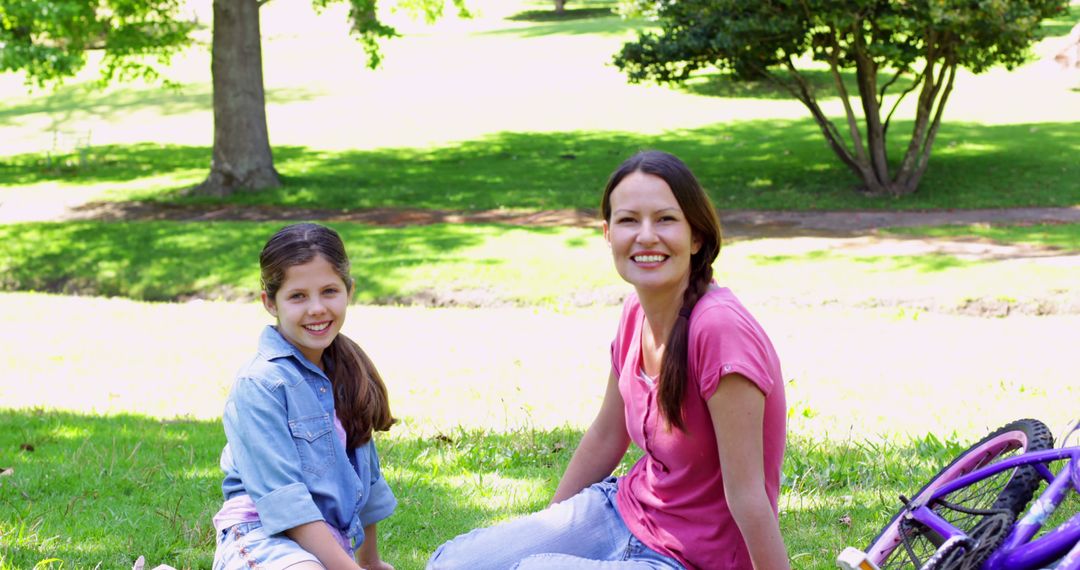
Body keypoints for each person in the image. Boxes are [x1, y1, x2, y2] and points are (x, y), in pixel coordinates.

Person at [428, 151, 789, 570]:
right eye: (629, 220)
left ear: (696, 237)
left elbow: (747, 495)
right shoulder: (636, 313)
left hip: (693, 560)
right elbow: (607, 434)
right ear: (607, 233)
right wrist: (548, 528)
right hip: (623, 513)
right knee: (453, 564)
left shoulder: (719, 330)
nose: (647, 236)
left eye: (666, 219)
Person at [212, 223, 397, 570]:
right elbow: (287, 506)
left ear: (349, 291)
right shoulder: (260, 384)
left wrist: (370, 561)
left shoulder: (348, 372)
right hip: (261, 537)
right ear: (270, 302)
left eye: (329, 291)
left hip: (328, 544)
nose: (316, 308)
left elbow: (367, 481)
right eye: (298, 296)